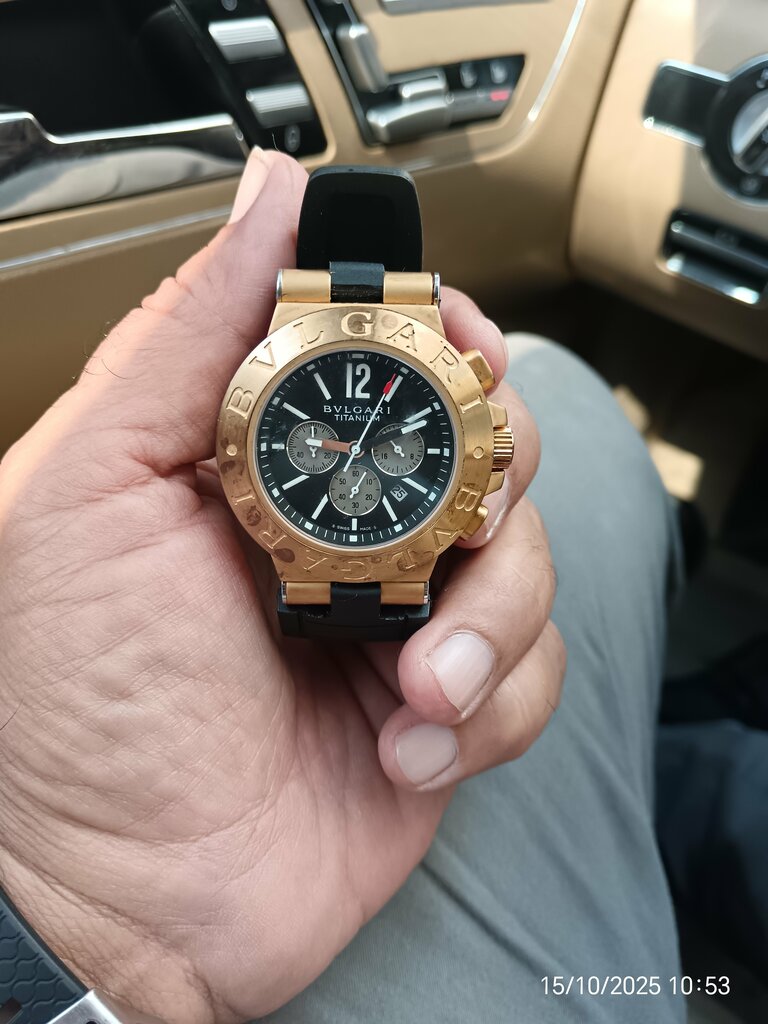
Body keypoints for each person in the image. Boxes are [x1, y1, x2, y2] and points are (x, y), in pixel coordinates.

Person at [0, 151, 684, 1023]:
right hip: (311, 589)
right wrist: (65, 893)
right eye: (337, 444)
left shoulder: (346, 375)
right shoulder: (305, 348)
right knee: (575, 399)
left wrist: (74, 920)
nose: (356, 448)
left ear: (484, 450)